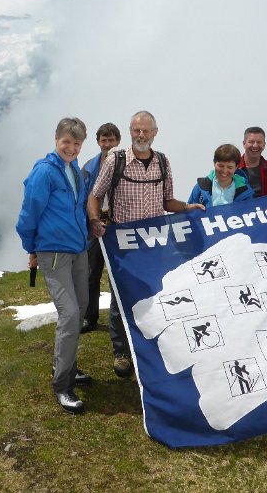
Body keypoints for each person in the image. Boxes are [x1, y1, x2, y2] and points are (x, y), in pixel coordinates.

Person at [87, 111, 204, 378]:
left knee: (154, 294)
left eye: (146, 131)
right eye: (136, 130)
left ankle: (151, 346)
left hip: (154, 242)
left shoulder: (163, 162)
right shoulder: (116, 160)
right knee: (120, 297)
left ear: (155, 132)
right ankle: (121, 353)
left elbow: (167, 202)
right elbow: (95, 196)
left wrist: (187, 207)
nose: (141, 135)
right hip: (123, 242)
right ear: (131, 132)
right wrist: (95, 220)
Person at [16, 117, 92, 414]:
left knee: (82, 308)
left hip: (78, 250)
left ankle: (68, 366)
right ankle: (62, 385)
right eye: (67, 142)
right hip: (54, 253)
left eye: (76, 144)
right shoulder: (44, 172)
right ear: (56, 139)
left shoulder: (74, 171)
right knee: (70, 313)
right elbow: (29, 213)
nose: (71, 148)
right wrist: (31, 248)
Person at [80, 122, 122, 333]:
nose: (107, 144)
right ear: (98, 142)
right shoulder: (89, 166)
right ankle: (90, 316)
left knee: (118, 273)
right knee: (91, 272)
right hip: (95, 223)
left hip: (118, 223)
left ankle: (123, 315)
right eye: (104, 140)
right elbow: (82, 196)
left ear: (118, 141)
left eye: (111, 140)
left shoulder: (126, 163)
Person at [188, 143, 254, 207]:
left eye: (229, 167)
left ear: (236, 167)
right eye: (221, 166)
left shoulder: (245, 191)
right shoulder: (201, 187)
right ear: (214, 163)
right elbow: (189, 212)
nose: (224, 171)